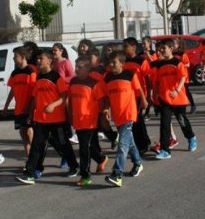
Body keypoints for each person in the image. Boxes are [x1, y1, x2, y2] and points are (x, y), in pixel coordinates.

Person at [17, 51, 79, 184]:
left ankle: (74, 166)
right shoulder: (38, 77)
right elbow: (35, 97)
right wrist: (30, 113)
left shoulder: (56, 77)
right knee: (36, 146)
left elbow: (64, 97)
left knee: (64, 144)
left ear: (49, 61)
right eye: (38, 59)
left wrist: (53, 105)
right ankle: (30, 173)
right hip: (40, 119)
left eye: (41, 58)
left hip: (57, 120)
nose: (38, 61)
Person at [97, 51, 148, 187]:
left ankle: (117, 174)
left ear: (122, 63)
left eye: (114, 62)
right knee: (129, 142)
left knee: (122, 145)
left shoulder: (129, 75)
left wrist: (144, 101)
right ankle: (138, 163)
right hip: (117, 115)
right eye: (110, 62)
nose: (111, 65)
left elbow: (139, 89)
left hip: (129, 114)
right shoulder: (107, 78)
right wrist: (106, 109)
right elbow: (106, 97)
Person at [151, 39, 197, 159]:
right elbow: (157, 81)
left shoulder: (177, 62)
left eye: (164, 48)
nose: (161, 50)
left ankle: (191, 137)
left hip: (178, 98)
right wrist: (155, 95)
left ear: (171, 49)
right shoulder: (159, 64)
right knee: (164, 124)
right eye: (160, 49)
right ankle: (165, 150)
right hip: (165, 99)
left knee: (182, 121)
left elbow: (183, 77)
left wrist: (177, 90)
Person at [67, 57, 108, 186]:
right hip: (77, 120)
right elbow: (71, 100)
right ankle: (101, 158)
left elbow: (102, 100)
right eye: (76, 66)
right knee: (86, 146)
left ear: (88, 68)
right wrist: (70, 116)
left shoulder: (94, 83)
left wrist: (103, 116)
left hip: (89, 121)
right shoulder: (73, 81)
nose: (76, 69)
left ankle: (85, 176)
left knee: (84, 148)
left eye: (80, 67)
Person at [2, 47, 37, 157]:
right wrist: (6, 106)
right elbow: (12, 90)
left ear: (22, 57)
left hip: (29, 109)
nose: (13, 58)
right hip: (19, 109)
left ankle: (36, 157)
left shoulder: (31, 72)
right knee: (23, 133)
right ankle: (29, 159)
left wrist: (30, 107)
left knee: (29, 131)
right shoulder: (14, 73)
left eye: (15, 56)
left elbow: (34, 92)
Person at [122, 38, 152, 153]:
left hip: (139, 95)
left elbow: (147, 79)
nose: (123, 49)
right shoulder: (123, 61)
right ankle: (137, 144)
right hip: (127, 96)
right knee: (131, 121)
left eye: (126, 46)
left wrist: (148, 95)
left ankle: (144, 143)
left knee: (138, 119)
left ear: (133, 47)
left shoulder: (141, 61)